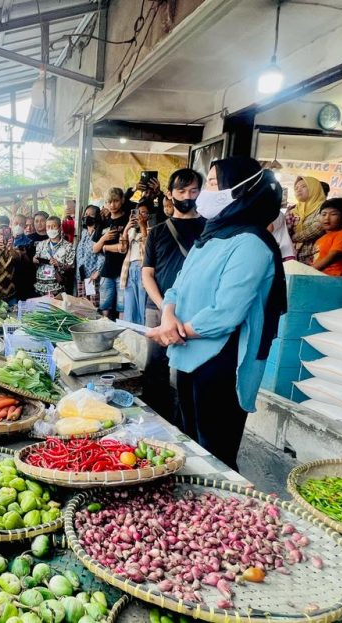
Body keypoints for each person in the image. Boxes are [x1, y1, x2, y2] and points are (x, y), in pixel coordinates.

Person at [147, 157, 286, 470]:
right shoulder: (208, 238)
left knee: (215, 452)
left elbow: (226, 313)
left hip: (222, 363)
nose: (203, 193)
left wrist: (175, 331)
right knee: (188, 440)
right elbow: (176, 287)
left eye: (210, 183)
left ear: (239, 190)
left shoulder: (251, 243)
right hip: (187, 354)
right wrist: (168, 317)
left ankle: (219, 512)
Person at [141, 168, 205, 423]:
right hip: (157, 310)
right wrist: (165, 307)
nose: (187, 196)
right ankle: (153, 423)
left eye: (193, 190)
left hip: (195, 312)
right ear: (169, 194)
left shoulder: (210, 229)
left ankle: (183, 426)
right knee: (155, 366)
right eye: (181, 190)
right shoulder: (157, 231)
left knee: (188, 370)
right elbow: (147, 274)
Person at [93, 188, 129, 319]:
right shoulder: (104, 222)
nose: (112, 205)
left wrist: (105, 247)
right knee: (104, 305)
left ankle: (121, 335)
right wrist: (104, 238)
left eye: (116, 201)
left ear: (122, 200)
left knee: (122, 305)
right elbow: (94, 248)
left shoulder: (127, 220)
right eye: (109, 202)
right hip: (107, 270)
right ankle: (104, 329)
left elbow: (123, 248)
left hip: (124, 270)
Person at [120, 202, 150, 324]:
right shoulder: (131, 230)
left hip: (143, 268)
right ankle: (129, 334)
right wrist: (127, 228)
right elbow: (122, 249)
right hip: (129, 268)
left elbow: (148, 249)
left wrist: (143, 227)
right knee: (129, 304)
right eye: (138, 212)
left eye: (144, 212)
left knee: (142, 303)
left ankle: (143, 335)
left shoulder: (151, 229)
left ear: (148, 215)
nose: (140, 215)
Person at [287, 175, 326, 265]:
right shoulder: (293, 209)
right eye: (296, 188)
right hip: (294, 257)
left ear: (314, 188)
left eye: (303, 186)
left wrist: (292, 238)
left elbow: (317, 228)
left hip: (315, 257)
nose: (298, 190)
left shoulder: (323, 207)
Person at [313, 198, 342, 276]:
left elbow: (333, 256)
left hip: (334, 280)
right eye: (324, 214)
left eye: (333, 214)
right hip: (319, 277)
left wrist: (308, 271)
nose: (326, 218)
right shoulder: (320, 239)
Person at [33, 216, 74, 296]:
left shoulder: (68, 246)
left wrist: (59, 264)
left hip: (58, 289)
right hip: (40, 288)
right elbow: (35, 261)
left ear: (60, 228)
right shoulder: (40, 244)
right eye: (48, 227)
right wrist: (35, 260)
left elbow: (71, 267)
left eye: (53, 226)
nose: (50, 229)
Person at [76, 205, 105, 301]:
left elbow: (102, 255)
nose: (87, 217)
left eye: (91, 215)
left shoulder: (99, 233)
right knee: (82, 304)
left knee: (92, 305)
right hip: (81, 275)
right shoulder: (84, 233)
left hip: (91, 276)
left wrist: (98, 271)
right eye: (86, 214)